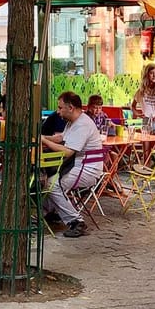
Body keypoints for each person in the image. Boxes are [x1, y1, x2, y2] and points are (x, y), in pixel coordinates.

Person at [39, 91, 103, 238]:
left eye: (60, 108)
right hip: (76, 166)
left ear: (71, 108)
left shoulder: (82, 124)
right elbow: (61, 138)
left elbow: (68, 151)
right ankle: (49, 212)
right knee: (49, 180)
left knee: (52, 185)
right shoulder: (73, 121)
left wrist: (44, 140)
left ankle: (76, 221)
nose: (58, 111)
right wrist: (41, 137)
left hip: (87, 169)